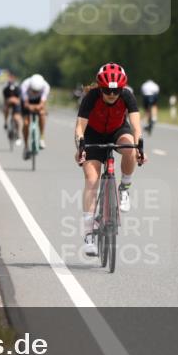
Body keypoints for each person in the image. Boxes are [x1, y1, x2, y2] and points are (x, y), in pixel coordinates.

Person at [74, 63, 146, 257]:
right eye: (107, 91)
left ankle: (124, 188)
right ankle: (88, 234)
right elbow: (80, 128)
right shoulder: (91, 97)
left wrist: (139, 148)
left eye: (116, 91)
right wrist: (80, 147)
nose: (112, 95)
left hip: (117, 131)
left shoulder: (127, 96)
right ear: (100, 87)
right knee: (91, 179)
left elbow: (136, 126)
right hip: (93, 136)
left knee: (129, 146)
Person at [20, 73, 49, 159]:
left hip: (38, 101)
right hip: (27, 101)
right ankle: (26, 146)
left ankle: (42, 138)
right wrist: (29, 107)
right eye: (33, 90)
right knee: (25, 123)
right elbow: (25, 103)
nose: (35, 92)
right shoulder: (24, 85)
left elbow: (42, 103)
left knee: (42, 114)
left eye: (37, 91)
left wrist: (39, 107)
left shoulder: (46, 86)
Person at [2, 75, 22, 146]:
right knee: (5, 109)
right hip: (8, 103)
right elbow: (5, 100)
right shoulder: (5, 90)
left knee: (17, 118)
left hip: (16, 104)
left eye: (12, 90)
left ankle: (18, 134)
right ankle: (6, 122)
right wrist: (8, 101)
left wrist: (14, 100)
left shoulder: (18, 89)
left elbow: (19, 100)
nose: (11, 92)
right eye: (10, 90)